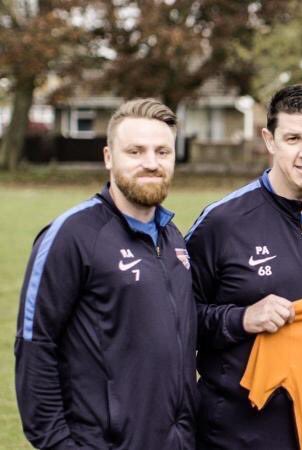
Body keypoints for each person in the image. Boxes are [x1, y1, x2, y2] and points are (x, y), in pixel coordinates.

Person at [185, 84, 302, 449]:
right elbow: (176, 321)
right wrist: (242, 318)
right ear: (270, 140)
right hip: (238, 432)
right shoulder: (221, 222)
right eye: (293, 139)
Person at [15, 98, 197, 449]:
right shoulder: (72, 235)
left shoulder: (173, 238)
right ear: (108, 158)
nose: (151, 163)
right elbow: (35, 344)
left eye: (163, 152)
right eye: (135, 151)